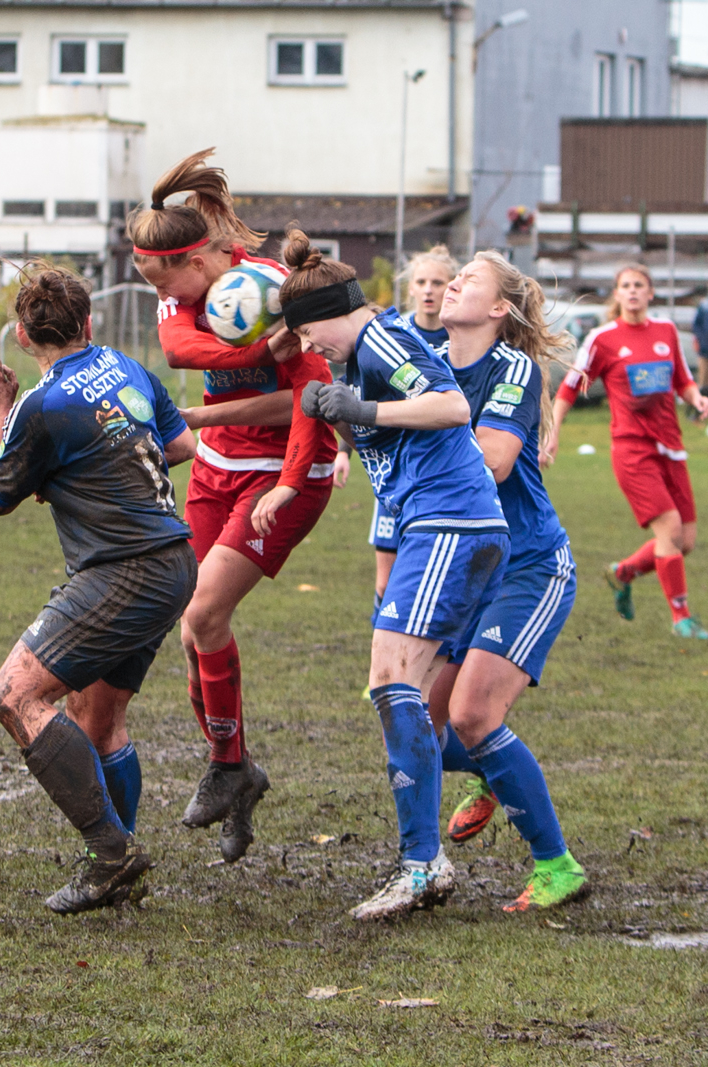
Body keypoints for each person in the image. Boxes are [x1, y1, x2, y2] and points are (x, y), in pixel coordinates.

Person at [283, 227, 509, 922]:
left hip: (449, 524)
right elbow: (393, 439)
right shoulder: (356, 359)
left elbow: (452, 407)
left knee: (391, 683)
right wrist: (349, 421)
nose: (305, 347)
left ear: (325, 316)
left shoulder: (380, 342)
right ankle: (466, 807)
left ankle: (422, 864)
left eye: (305, 334)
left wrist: (361, 410)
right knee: (399, 691)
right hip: (432, 529)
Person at [126, 149, 338, 863]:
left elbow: (306, 400)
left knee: (203, 613)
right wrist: (250, 345)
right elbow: (181, 349)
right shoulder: (180, 291)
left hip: (282, 475)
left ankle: (225, 766)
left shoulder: (280, 289)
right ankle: (237, 767)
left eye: (165, 277)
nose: (161, 290)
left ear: (200, 256)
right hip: (216, 472)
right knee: (193, 631)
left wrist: (284, 338)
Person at [0, 265, 199, 914]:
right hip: (174, 560)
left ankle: (110, 851)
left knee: (15, 695)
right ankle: (116, 873)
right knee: (98, 718)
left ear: (21, 335)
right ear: (90, 321)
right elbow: (178, 443)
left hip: (123, 572)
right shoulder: (128, 367)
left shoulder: (38, 406)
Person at [428, 251, 588, 911]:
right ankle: (495, 769)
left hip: (528, 564)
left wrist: (405, 422)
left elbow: (492, 462)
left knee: (471, 713)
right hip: (466, 570)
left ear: (500, 309)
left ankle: (557, 865)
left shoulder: (512, 368)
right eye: (451, 273)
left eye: (470, 276)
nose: (453, 280)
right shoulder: (427, 367)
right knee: (413, 722)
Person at [544, 264, 708, 640]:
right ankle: (681, 619)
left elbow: (682, 379)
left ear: (651, 293)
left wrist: (697, 397)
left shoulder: (666, 331)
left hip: (671, 446)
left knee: (684, 541)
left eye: (640, 285)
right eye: (626, 286)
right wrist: (553, 432)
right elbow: (569, 388)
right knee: (668, 530)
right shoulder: (603, 339)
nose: (633, 291)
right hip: (631, 450)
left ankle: (622, 573)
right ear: (617, 295)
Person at [343, 246, 461, 615]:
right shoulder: (393, 332)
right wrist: (342, 453)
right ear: (410, 288)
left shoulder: (460, 337)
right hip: (396, 469)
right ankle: (384, 649)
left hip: (442, 468)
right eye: (421, 282)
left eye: (438, 283)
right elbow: (359, 392)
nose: (429, 290)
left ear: (451, 288)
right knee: (385, 580)